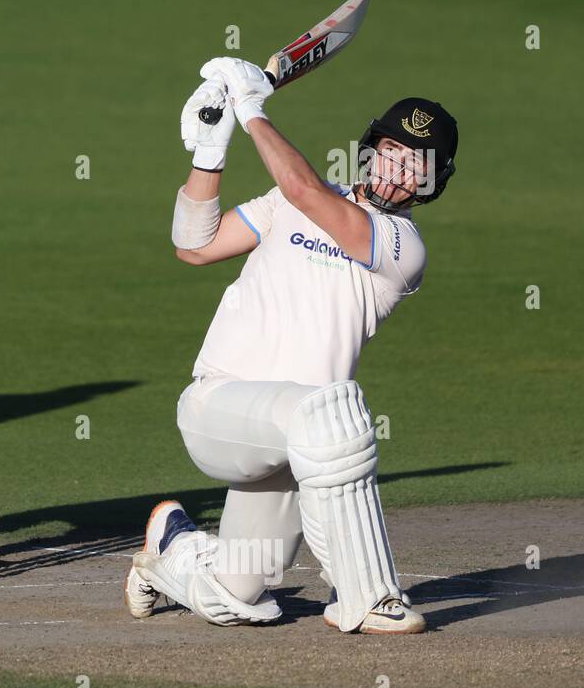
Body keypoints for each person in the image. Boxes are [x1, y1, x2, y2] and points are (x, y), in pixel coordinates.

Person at [125, 57, 459, 634]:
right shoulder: (286, 205)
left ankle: (169, 548)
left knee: (237, 596)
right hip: (220, 409)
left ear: (434, 182)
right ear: (370, 148)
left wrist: (253, 111)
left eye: (418, 168)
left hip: (294, 451)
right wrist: (210, 151)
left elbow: (305, 190)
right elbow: (193, 246)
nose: (401, 173)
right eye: (393, 153)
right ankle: (372, 598)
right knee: (336, 407)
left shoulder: (402, 247)